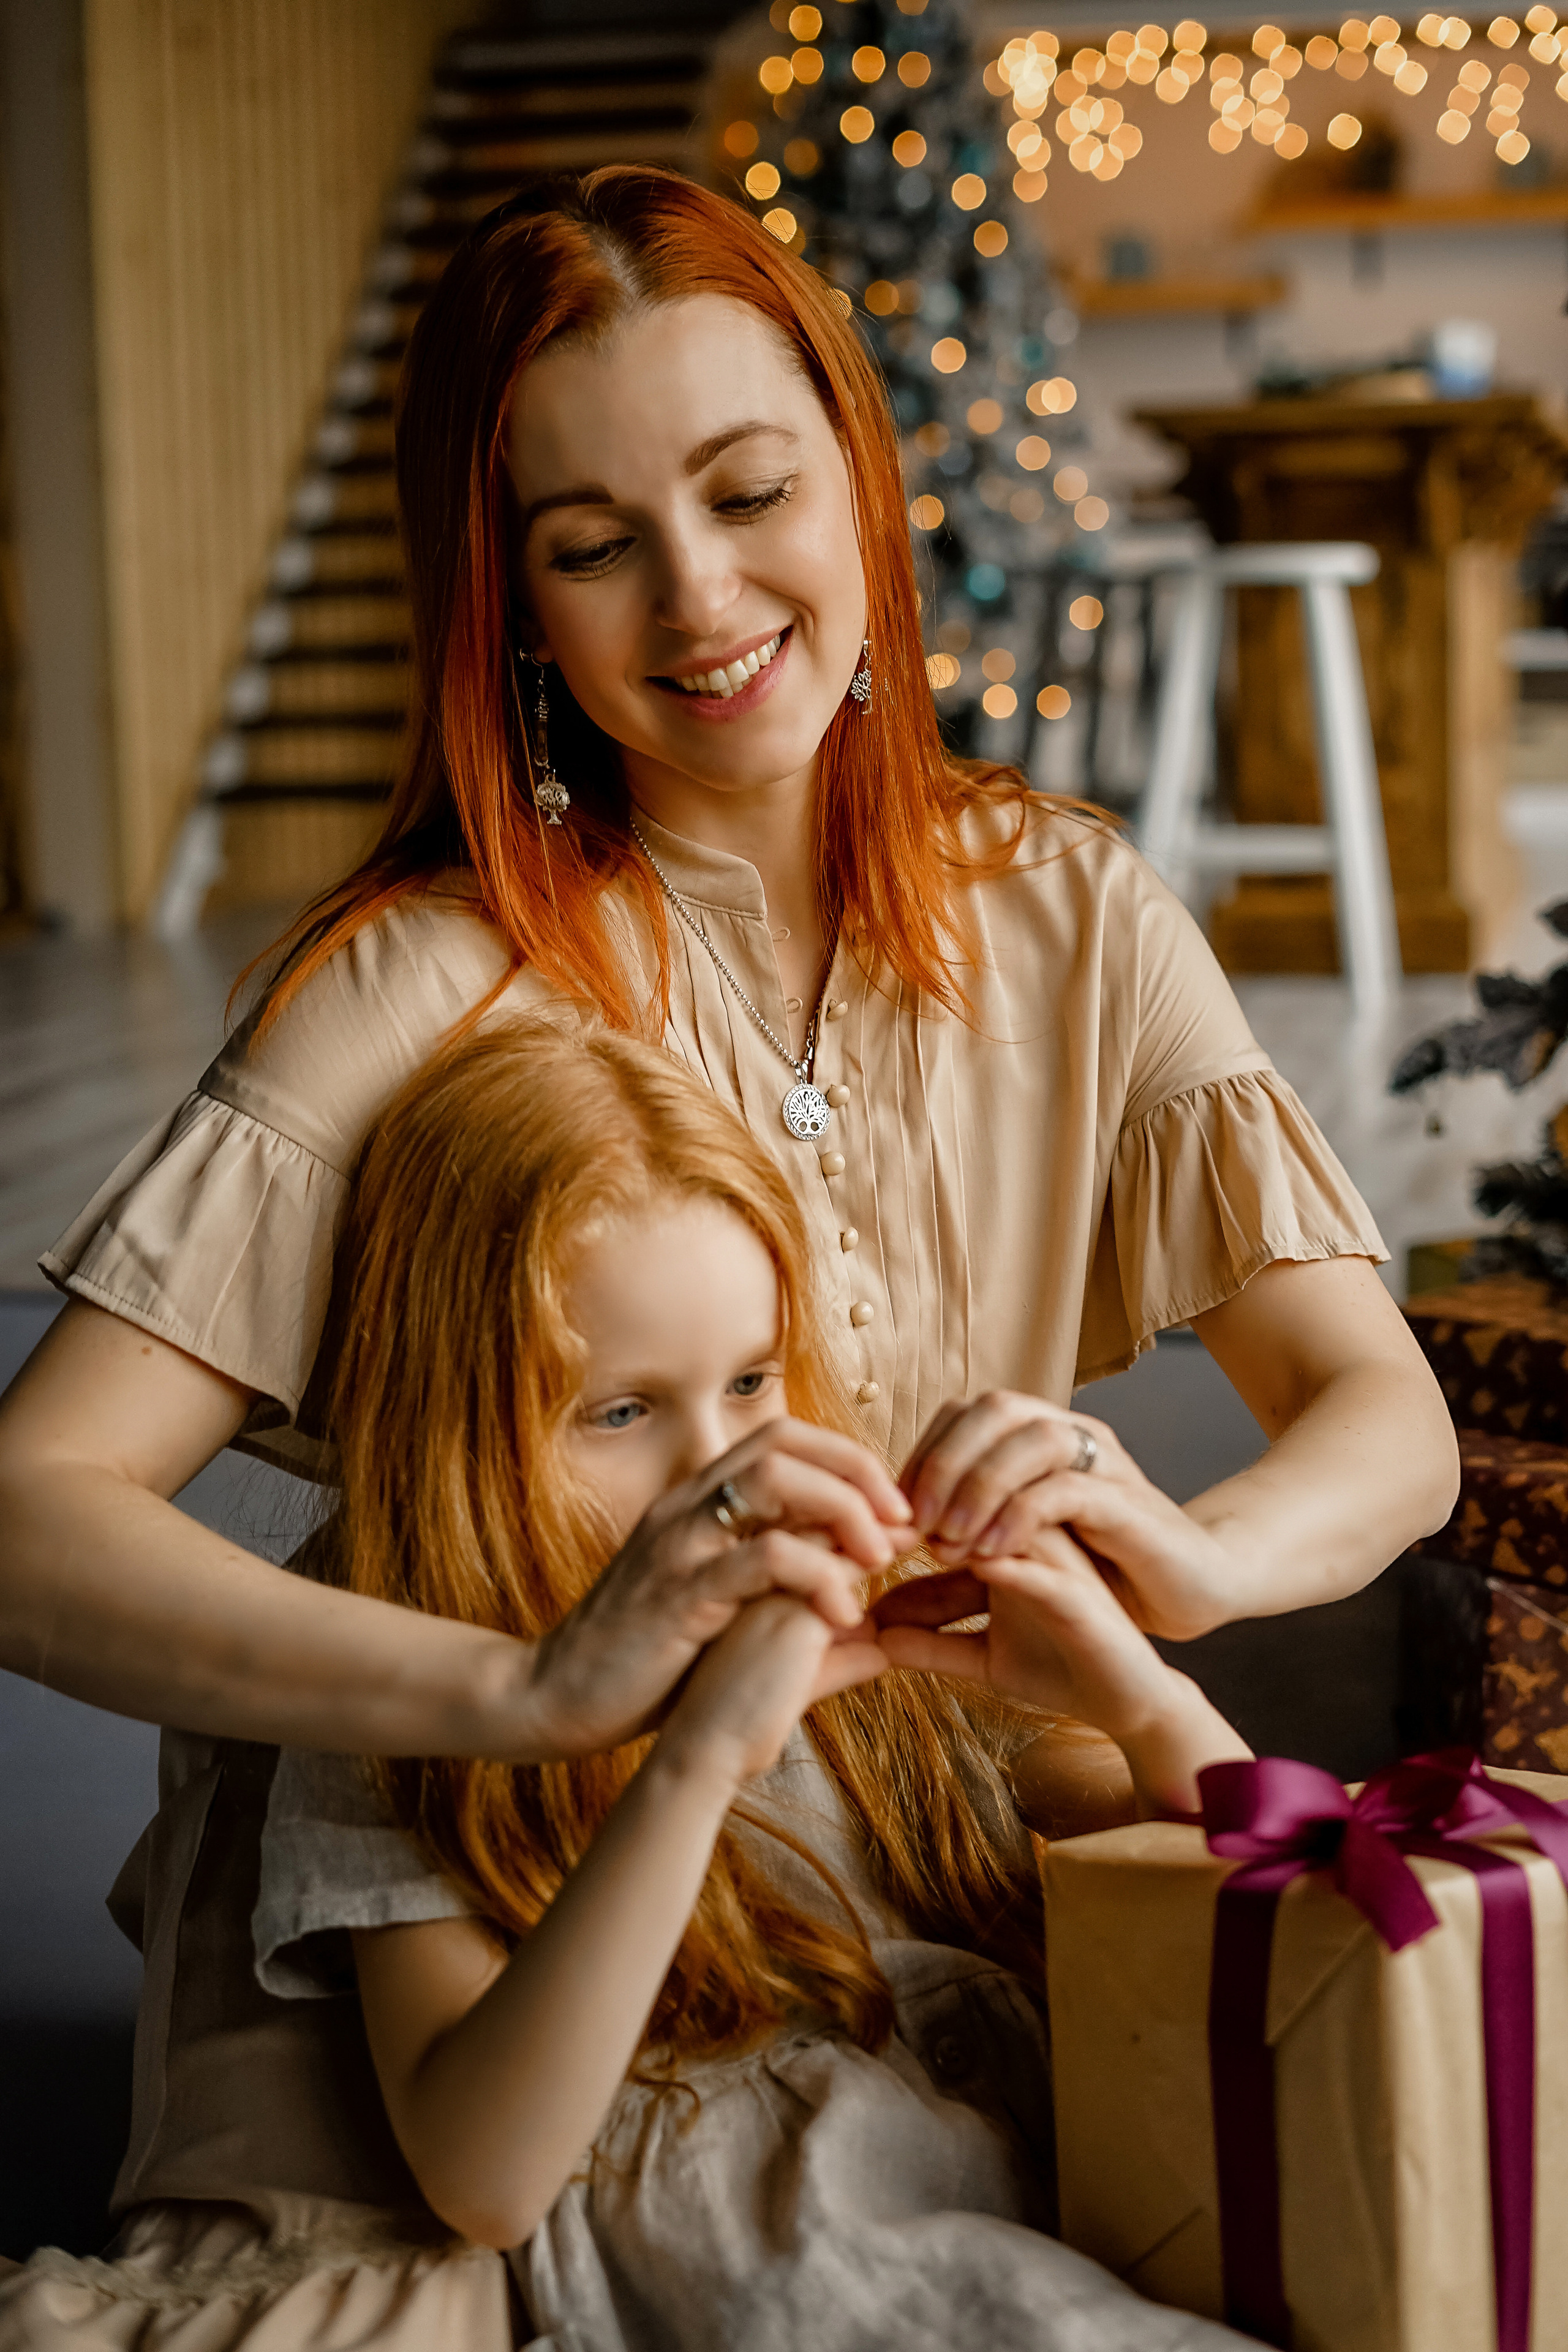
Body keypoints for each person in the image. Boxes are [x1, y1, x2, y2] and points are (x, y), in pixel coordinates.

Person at [0, 167, 1455, 2244]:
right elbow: (31, 1512)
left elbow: (1380, 1420)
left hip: (934, 1820)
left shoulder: (1072, 905)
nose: (697, 599)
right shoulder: (422, 979)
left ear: (860, 483)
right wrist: (524, 1694)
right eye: (592, 547)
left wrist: (1186, 1565)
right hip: (482, 1882)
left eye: (752, 493)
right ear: (508, 600)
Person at [2, 1022, 1257, 2346]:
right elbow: (484, 2178)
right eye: (618, 1412)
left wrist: (1140, 1702)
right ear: (460, 1428)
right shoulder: (418, 1697)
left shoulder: (879, 1624)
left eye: (751, 1383)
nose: (718, 1471)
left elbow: (1273, 1919)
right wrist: (692, 1762)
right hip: (776, 2278)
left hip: (1059, 2222)